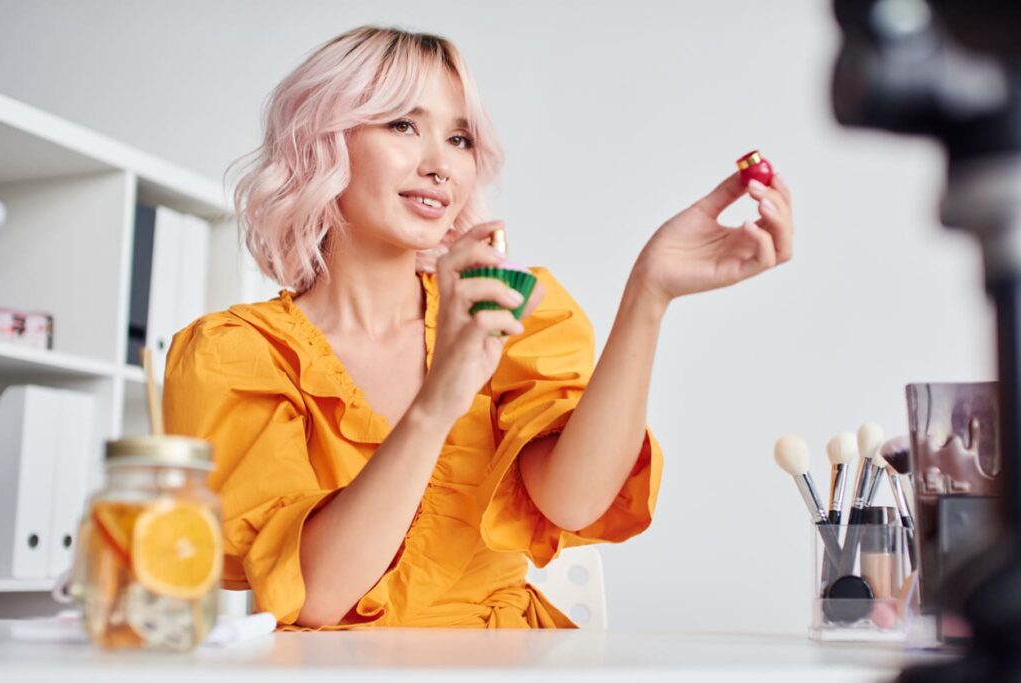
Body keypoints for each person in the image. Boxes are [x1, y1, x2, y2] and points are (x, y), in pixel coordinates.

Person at [163, 26, 794, 630]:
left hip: (505, 658)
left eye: (460, 139)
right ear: (320, 143)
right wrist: (439, 400)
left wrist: (648, 296)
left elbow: (571, 503)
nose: (440, 165)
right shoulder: (232, 354)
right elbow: (319, 595)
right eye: (403, 125)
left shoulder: (511, 312)